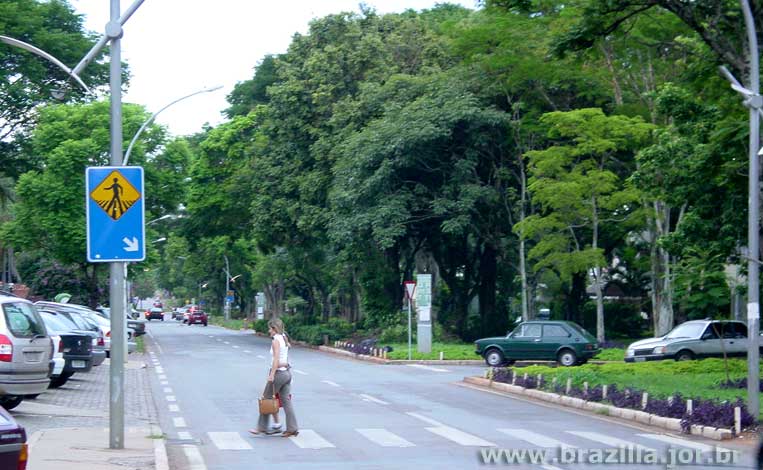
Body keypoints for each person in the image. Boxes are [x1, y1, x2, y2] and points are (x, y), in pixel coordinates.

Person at [250, 318, 299, 437]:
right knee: (286, 401)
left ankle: (261, 427)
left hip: (278, 374)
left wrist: (271, 375)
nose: (268, 331)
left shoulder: (276, 340)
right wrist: (285, 364)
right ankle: (292, 428)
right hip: (286, 373)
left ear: (274, 329)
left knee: (266, 399)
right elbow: (285, 354)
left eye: (270, 329)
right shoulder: (284, 337)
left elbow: (276, 358)